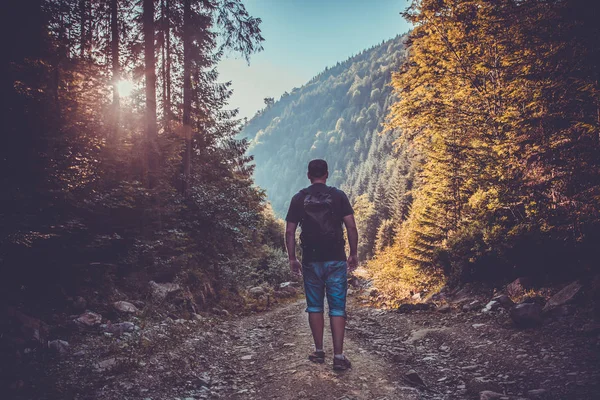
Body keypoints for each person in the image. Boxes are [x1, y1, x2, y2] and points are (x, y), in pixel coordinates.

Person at [285, 159, 359, 371]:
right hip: (336, 258)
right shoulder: (338, 196)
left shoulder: (299, 198)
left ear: (309, 175)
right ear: (326, 174)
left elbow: (290, 231)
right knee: (337, 307)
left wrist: (293, 258)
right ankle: (338, 356)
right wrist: (353, 253)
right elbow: (351, 227)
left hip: (311, 260)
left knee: (315, 306)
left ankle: (318, 352)